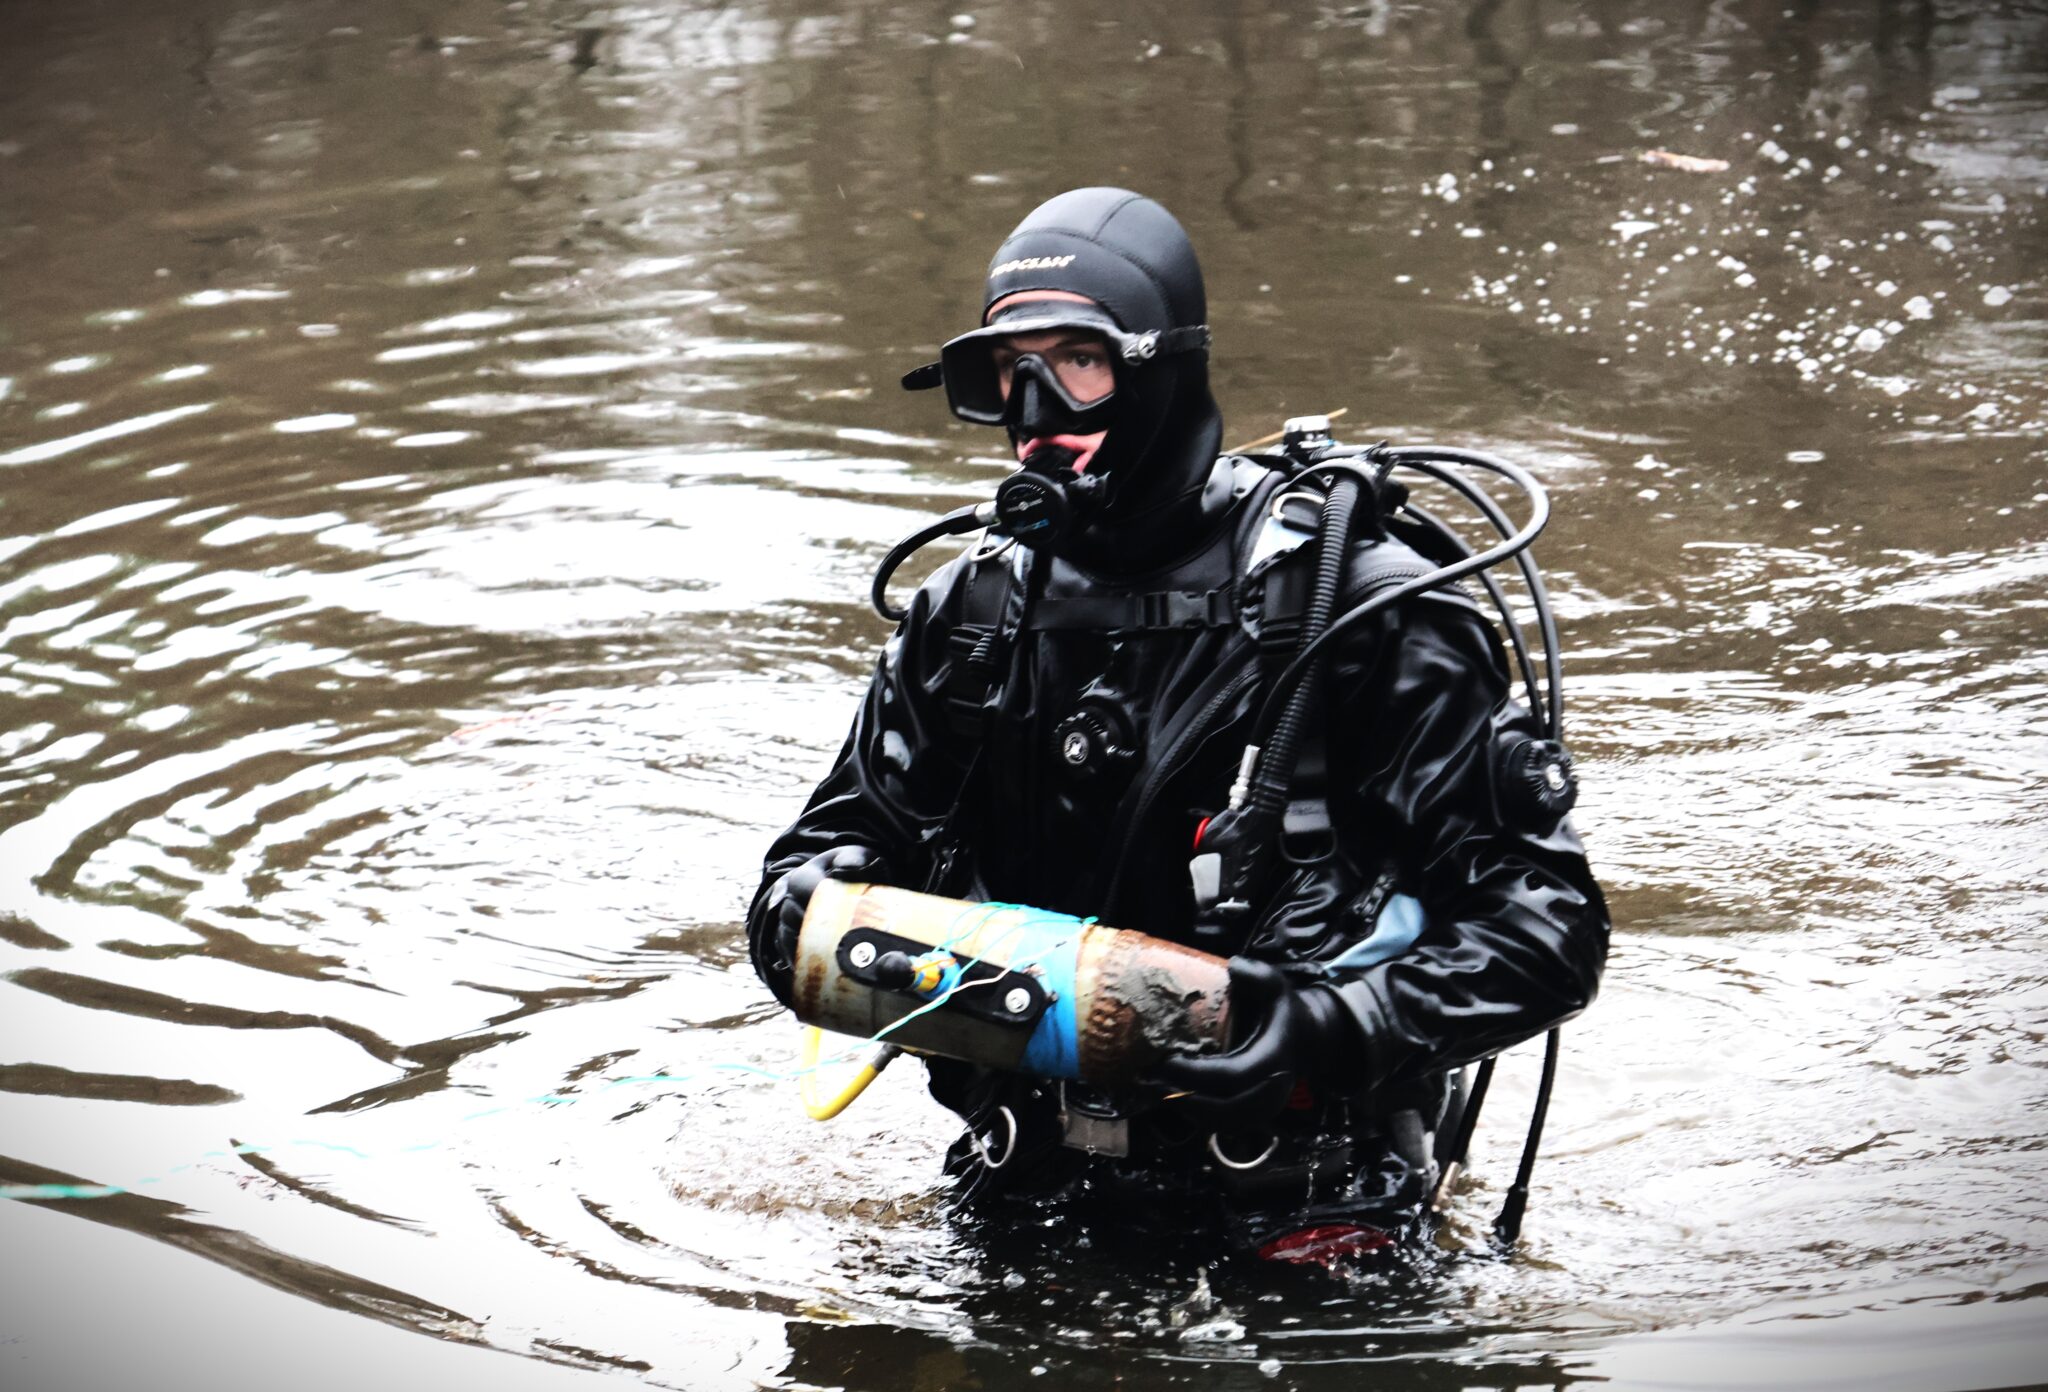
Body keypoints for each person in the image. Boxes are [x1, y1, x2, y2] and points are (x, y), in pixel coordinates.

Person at [746, 187, 1608, 1262]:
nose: (1034, 410)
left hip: (1300, 1213)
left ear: (1162, 368)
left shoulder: (1358, 609)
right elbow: (825, 858)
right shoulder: (969, 615)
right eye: (1008, 372)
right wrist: (801, 910)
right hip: (1026, 1188)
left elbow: (1545, 931)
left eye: (1077, 362)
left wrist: (1324, 1027)